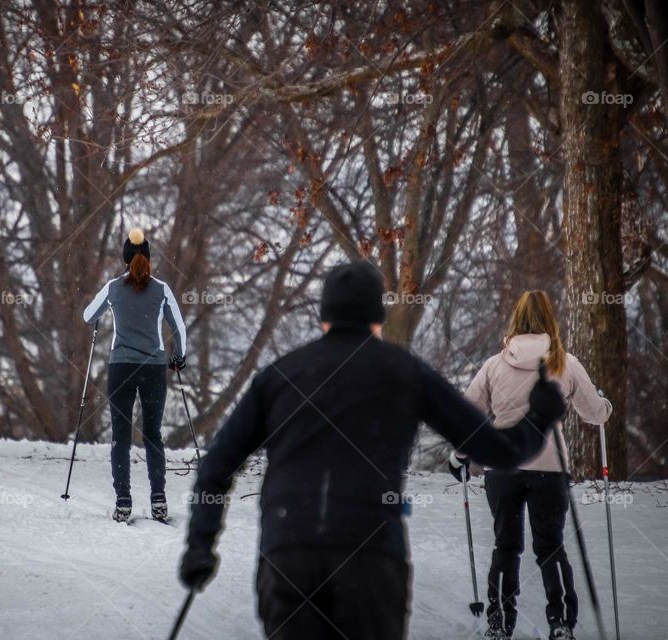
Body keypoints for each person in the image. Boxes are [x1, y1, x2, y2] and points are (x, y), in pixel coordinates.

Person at [177, 262, 566, 640]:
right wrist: (538, 418)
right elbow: (495, 450)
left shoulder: (280, 375)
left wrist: (201, 546)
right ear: (376, 318)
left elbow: (217, 464)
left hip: (288, 552)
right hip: (370, 556)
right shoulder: (404, 371)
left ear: (323, 317)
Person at [449, 290, 613, 640]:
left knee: (506, 546)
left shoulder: (494, 365)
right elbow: (594, 413)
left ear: (515, 322)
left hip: (502, 467)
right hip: (550, 468)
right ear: (550, 322)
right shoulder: (565, 363)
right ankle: (561, 622)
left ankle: (499, 622)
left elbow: (466, 415)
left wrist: (460, 456)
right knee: (551, 545)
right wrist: (605, 405)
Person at [83, 228, 187, 523]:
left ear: (125, 260)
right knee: (153, 434)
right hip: (153, 369)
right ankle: (158, 501)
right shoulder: (162, 289)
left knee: (121, 436)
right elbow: (179, 328)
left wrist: (110, 308)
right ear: (148, 259)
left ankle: (123, 501)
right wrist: (179, 357)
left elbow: (88, 316)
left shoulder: (113, 288)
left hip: (121, 368)